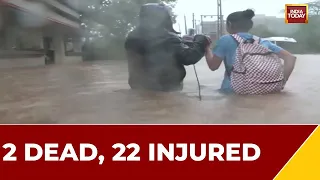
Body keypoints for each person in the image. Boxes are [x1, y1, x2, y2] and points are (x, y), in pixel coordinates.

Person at [204, 9, 297, 94]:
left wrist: (207, 48)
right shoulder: (262, 41)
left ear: (229, 24)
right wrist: (282, 82)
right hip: (265, 90)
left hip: (233, 91)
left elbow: (213, 66)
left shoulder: (226, 40)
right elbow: (290, 58)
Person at [125, 3, 210, 91]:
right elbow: (189, 57)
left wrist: (183, 42)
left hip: (139, 88)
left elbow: (158, 50)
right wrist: (201, 40)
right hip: (166, 89)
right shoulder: (167, 38)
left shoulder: (132, 37)